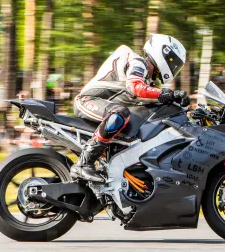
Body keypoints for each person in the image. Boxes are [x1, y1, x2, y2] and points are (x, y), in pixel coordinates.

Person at [71, 34, 190, 182]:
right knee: (120, 114)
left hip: (103, 104)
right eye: (173, 62)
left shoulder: (146, 76)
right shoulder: (138, 62)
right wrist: (168, 94)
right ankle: (83, 164)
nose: (174, 67)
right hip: (87, 100)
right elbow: (135, 88)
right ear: (163, 54)